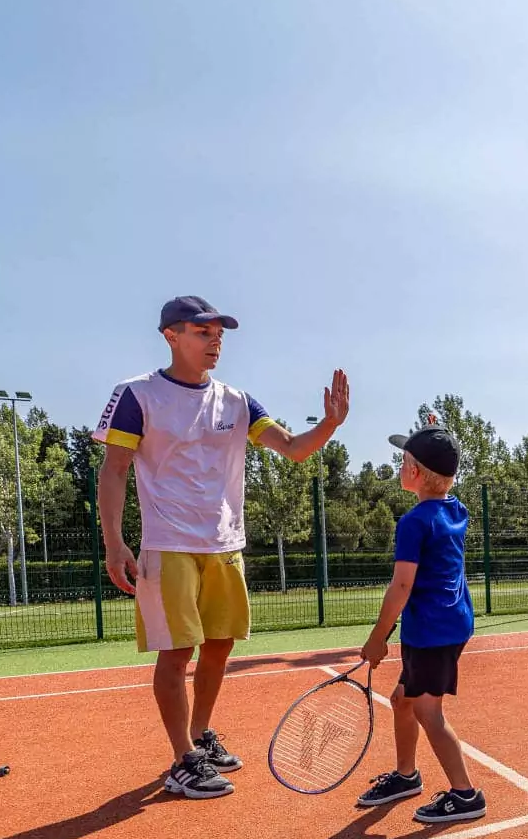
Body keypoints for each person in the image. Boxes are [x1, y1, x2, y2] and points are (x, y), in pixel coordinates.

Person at [96, 296, 349, 799]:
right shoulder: (138, 394)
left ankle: (199, 737)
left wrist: (330, 426)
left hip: (225, 544)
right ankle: (182, 762)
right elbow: (115, 469)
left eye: (219, 334)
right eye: (203, 332)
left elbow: (294, 449)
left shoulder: (237, 401)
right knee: (177, 653)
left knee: (219, 647)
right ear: (171, 335)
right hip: (168, 545)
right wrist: (114, 542)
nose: (215, 341)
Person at [354, 423, 485, 823]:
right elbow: (444, 477)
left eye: (404, 459)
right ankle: (407, 775)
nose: (399, 464)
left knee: (428, 711)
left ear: (415, 472)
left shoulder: (414, 522)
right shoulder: (454, 509)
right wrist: (437, 438)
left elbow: (402, 584)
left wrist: (378, 637)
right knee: (401, 701)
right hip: (450, 623)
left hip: (432, 630)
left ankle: (466, 795)